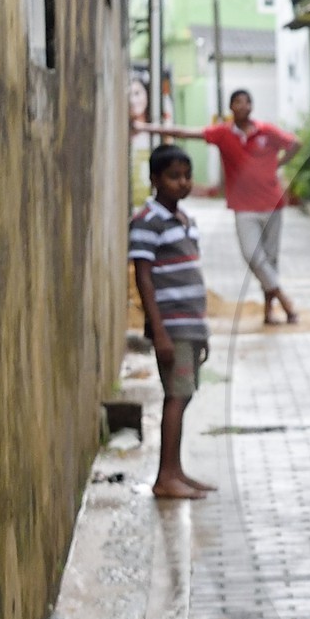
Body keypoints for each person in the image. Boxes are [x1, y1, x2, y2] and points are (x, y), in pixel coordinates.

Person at [155, 89, 299, 324]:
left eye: (247, 102)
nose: (243, 106)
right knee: (253, 256)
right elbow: (185, 132)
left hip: (273, 203)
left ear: (252, 106)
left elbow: (295, 143)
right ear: (231, 107)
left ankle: (268, 311)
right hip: (243, 206)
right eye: (237, 103)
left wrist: (278, 164)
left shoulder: (267, 131)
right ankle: (284, 299)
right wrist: (148, 128)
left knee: (270, 260)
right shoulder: (223, 133)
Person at [129, 145, 217, 501]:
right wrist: (159, 330)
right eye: (173, 176)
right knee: (176, 397)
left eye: (186, 176)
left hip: (190, 324)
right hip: (172, 327)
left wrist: (203, 331)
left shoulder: (184, 220)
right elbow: (144, 277)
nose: (182, 183)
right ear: (154, 179)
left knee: (185, 394)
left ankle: (176, 471)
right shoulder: (147, 221)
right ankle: (165, 477)